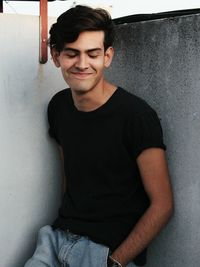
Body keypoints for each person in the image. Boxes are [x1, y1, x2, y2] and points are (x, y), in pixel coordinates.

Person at [24, 5, 173, 267]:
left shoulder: (136, 116)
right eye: (72, 54)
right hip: (55, 241)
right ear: (56, 56)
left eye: (92, 54)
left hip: (105, 252)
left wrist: (115, 262)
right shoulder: (58, 107)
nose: (82, 64)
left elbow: (162, 205)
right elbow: (71, 177)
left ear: (107, 56)